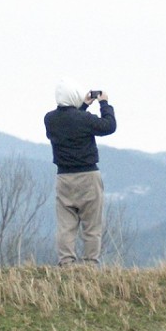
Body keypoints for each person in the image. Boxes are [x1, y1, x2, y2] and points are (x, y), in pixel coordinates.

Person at [44, 78, 116, 266]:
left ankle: (66, 264)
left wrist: (83, 106)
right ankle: (90, 264)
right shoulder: (83, 120)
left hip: (63, 178)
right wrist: (104, 103)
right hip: (88, 177)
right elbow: (108, 126)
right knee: (91, 225)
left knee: (66, 226)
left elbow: (71, 123)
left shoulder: (50, 119)